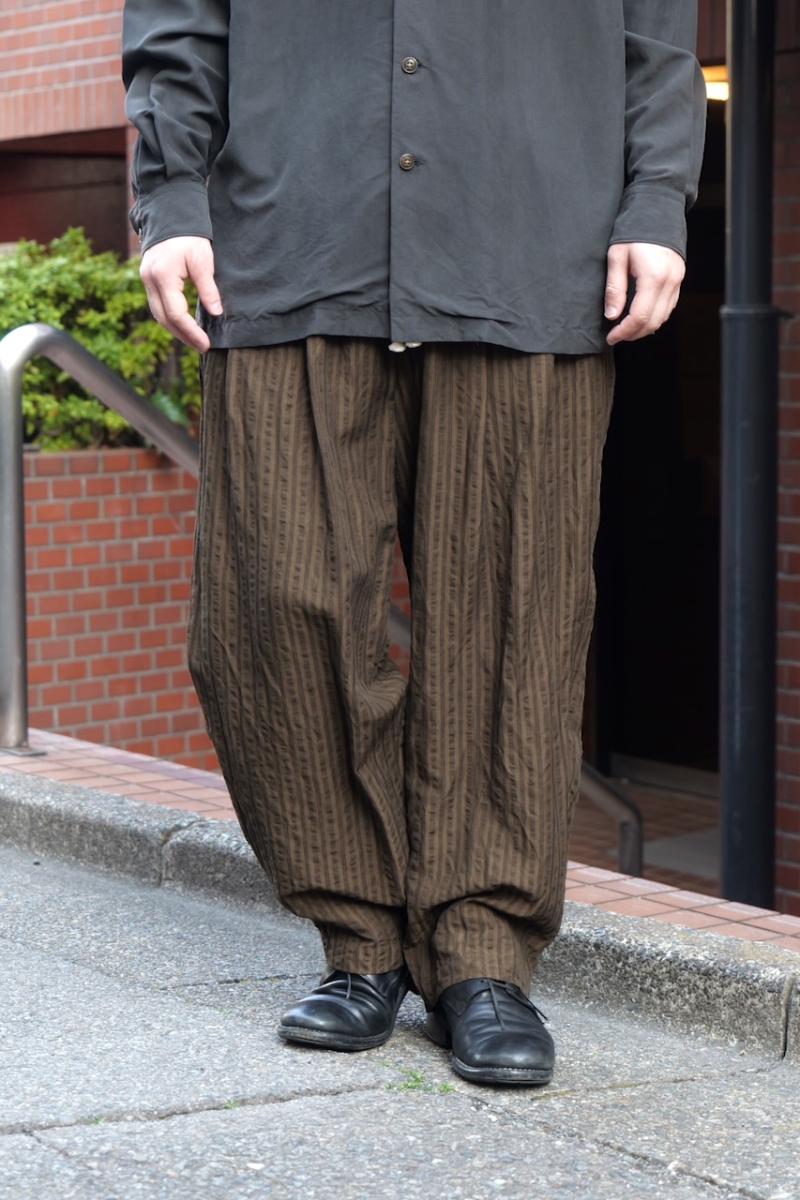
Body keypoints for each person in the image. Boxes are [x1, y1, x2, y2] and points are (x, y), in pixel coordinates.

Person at [122, 2, 705, 1087]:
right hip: (291, 237)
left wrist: (656, 197)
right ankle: (361, 937)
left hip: (529, 239)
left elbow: (659, 30)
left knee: (514, 615)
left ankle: (482, 953)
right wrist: (171, 193)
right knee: (272, 602)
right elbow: (179, 19)